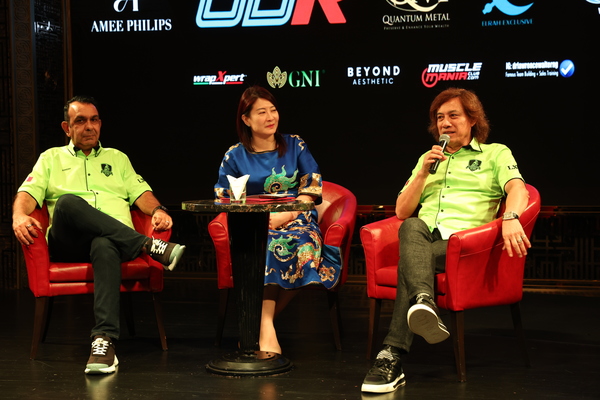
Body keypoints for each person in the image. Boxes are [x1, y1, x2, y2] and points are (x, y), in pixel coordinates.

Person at [361, 88, 531, 393]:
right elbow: (401, 210)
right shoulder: (428, 159)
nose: (445, 123)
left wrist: (511, 216)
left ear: (473, 120)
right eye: (440, 118)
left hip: (466, 246)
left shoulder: (495, 153)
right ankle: (424, 302)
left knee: (408, 266)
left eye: (453, 115)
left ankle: (391, 355)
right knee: (411, 226)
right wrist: (423, 174)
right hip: (425, 238)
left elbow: (519, 190)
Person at [12, 96, 186, 375]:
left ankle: (103, 341)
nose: (89, 126)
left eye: (94, 120)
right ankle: (147, 245)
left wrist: (159, 210)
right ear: (67, 128)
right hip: (69, 243)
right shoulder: (51, 158)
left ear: (100, 124)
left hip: (114, 244)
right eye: (80, 121)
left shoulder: (118, 158)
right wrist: (19, 215)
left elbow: (142, 194)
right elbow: (27, 193)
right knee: (68, 203)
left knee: (104, 243)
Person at [214, 85, 342, 354]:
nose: (270, 116)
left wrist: (288, 214)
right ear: (246, 119)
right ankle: (265, 328)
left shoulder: (295, 145)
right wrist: (260, 218)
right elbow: (224, 197)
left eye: (273, 110)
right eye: (261, 112)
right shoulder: (234, 155)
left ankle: (260, 325)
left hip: (298, 219)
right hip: (254, 223)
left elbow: (312, 187)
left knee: (303, 246)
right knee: (266, 246)